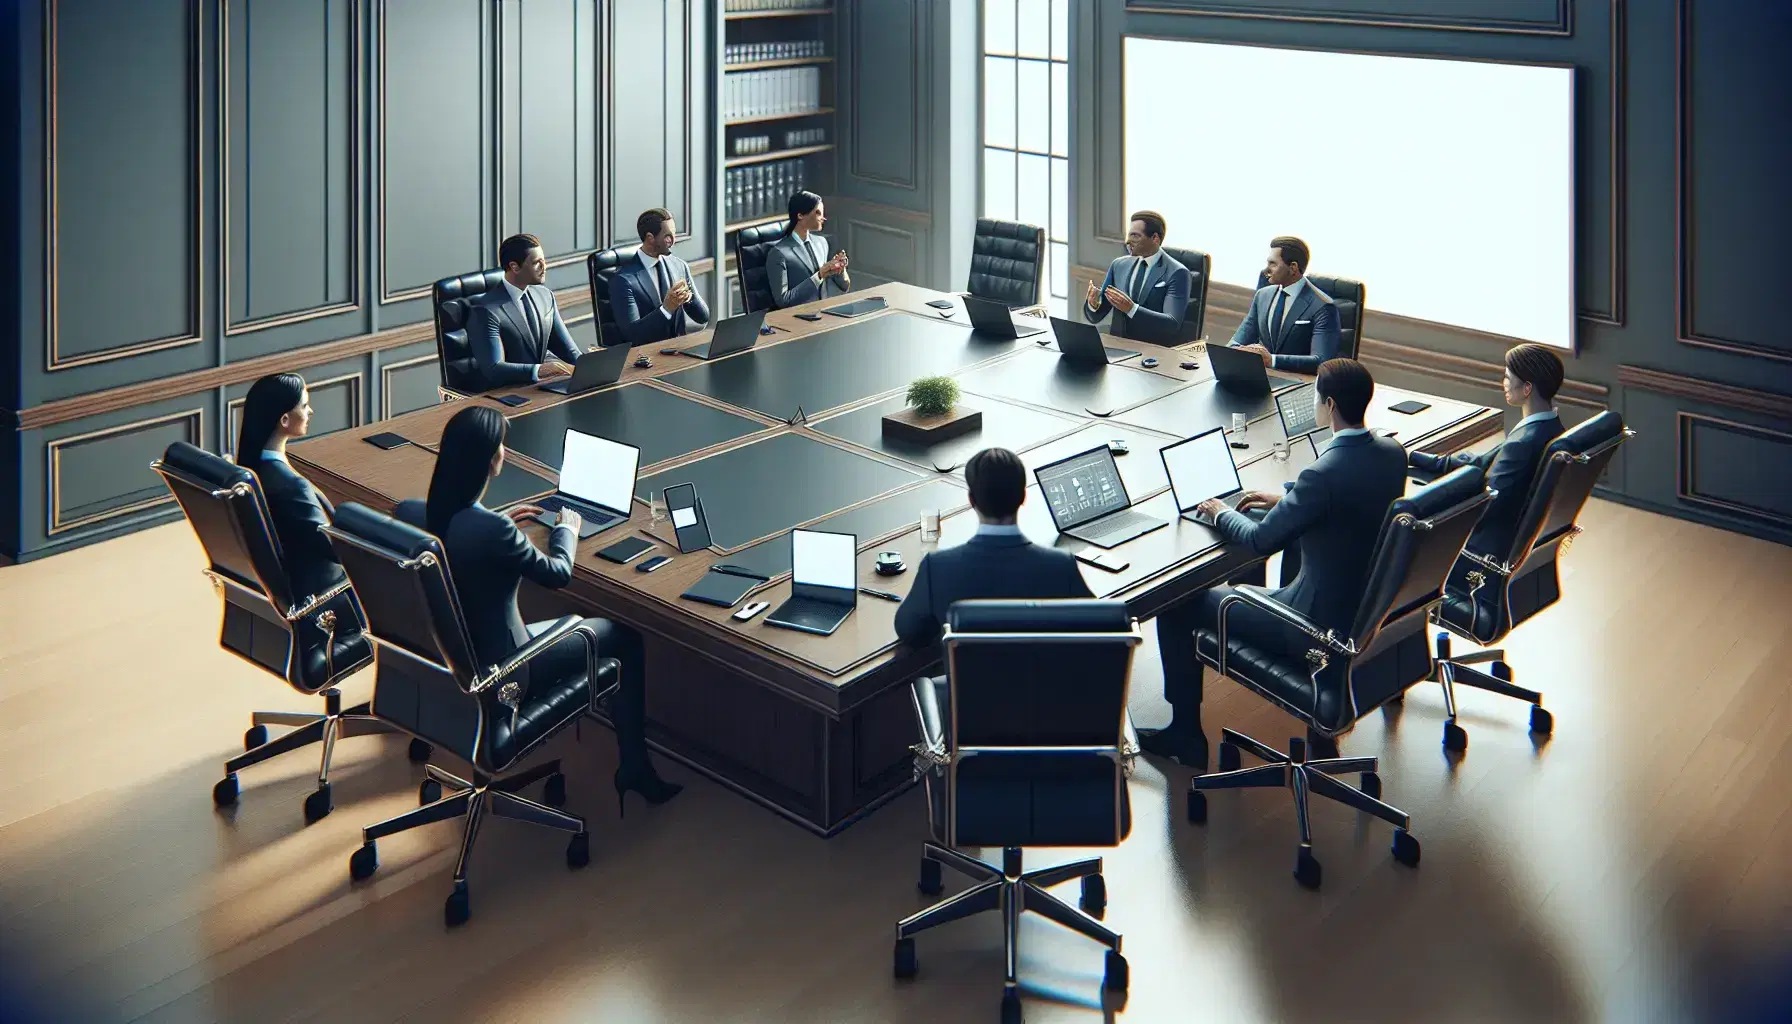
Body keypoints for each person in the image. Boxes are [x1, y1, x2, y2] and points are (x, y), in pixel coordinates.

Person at [395, 406, 681, 813]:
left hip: (451, 663)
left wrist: (496, 523)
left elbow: (464, 536)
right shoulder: (492, 532)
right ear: (492, 461)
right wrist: (567, 528)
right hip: (508, 670)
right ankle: (634, 769)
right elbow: (558, 573)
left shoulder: (414, 514)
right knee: (624, 639)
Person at [1142, 359, 1406, 766]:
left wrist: (1218, 512)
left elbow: (1260, 541)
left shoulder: (1323, 474)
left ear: (1329, 404)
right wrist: (1287, 501)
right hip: (1360, 615)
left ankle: (1185, 736)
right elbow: (1349, 509)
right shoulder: (1391, 453)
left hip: (1311, 628)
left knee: (1178, 602)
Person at [894, 447, 1092, 650]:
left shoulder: (936, 569)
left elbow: (907, 629)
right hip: (1047, 681)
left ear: (972, 500)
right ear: (1023, 496)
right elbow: (1102, 624)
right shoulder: (1061, 566)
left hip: (971, 682)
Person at [1412, 343, 1566, 575]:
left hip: (1479, 556)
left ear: (1527, 388)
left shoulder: (1521, 445)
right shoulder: (1549, 428)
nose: (1503, 383)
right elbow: (1482, 463)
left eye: (1507, 378)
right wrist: (1413, 456)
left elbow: (1487, 506)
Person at [236, 373, 344, 603]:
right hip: (328, 594)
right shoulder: (293, 487)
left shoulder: (254, 470)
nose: (310, 412)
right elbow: (336, 551)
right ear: (284, 420)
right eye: (304, 406)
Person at [468, 233, 584, 389]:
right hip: (506, 397)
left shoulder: (545, 296)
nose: (544, 268)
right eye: (537, 263)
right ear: (514, 267)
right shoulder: (486, 311)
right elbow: (493, 369)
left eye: (544, 261)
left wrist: (590, 369)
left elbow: (569, 352)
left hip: (541, 391)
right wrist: (539, 370)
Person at [1228, 236, 1341, 374]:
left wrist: (1272, 360)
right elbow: (1238, 342)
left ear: (1293, 267)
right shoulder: (1262, 296)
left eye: (1273, 264)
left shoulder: (1323, 306)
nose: (1266, 270)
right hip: (1260, 378)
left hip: (1298, 385)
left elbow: (1322, 361)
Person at [1082, 210, 1193, 344]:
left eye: (1135, 236)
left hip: (1153, 353)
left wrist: (1132, 309)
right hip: (1116, 349)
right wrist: (1093, 304)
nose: (1128, 241)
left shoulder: (1177, 273)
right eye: (1129, 235)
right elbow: (1096, 317)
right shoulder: (1118, 266)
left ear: (1155, 238)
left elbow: (1172, 324)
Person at [608, 207, 711, 347]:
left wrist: (688, 298)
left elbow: (703, 317)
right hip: (647, 359)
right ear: (650, 238)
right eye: (667, 236)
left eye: (674, 234)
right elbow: (633, 335)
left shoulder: (679, 266)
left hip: (680, 352)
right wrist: (666, 309)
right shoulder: (623, 280)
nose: (673, 241)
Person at [765, 191, 850, 308]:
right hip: (797, 319)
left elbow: (844, 286)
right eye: (818, 213)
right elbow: (783, 301)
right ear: (800, 215)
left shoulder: (822, 243)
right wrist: (819, 276)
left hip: (824, 314)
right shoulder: (779, 253)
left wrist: (841, 269)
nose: (823, 218)